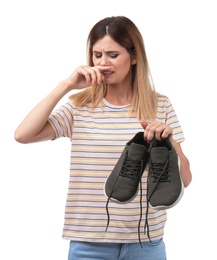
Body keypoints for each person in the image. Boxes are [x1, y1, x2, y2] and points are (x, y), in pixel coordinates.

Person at [14, 16, 192, 260]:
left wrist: (168, 141)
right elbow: (23, 135)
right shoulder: (79, 107)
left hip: (146, 243)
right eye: (97, 55)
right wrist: (67, 85)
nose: (103, 63)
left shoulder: (159, 105)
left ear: (135, 57)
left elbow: (186, 179)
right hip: (88, 244)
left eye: (113, 55)